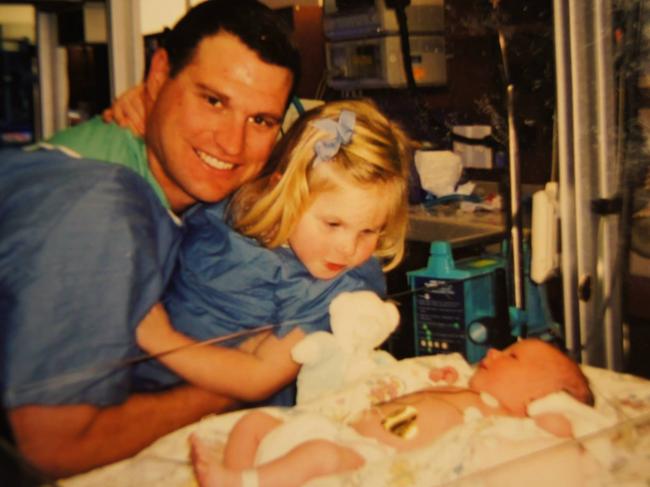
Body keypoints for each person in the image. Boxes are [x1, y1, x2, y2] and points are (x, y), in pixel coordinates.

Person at [0, 0, 300, 478]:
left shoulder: (153, 162)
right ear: (159, 74)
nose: (233, 143)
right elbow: (53, 445)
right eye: (214, 100)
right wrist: (241, 379)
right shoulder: (97, 211)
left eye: (260, 120)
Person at [134, 99, 412, 407]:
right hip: (134, 368)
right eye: (333, 224)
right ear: (282, 192)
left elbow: (257, 378)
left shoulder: (336, 290)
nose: (348, 249)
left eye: (369, 231)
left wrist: (160, 340)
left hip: (215, 405)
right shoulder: (233, 206)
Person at [189, 339, 595, 487]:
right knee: (254, 420)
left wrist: (552, 413)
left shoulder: (507, 419)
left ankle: (247, 482)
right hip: (340, 431)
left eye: (511, 356)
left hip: (368, 458)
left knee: (319, 455)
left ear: (534, 393)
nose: (492, 352)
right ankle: (238, 476)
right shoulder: (455, 384)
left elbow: (550, 443)